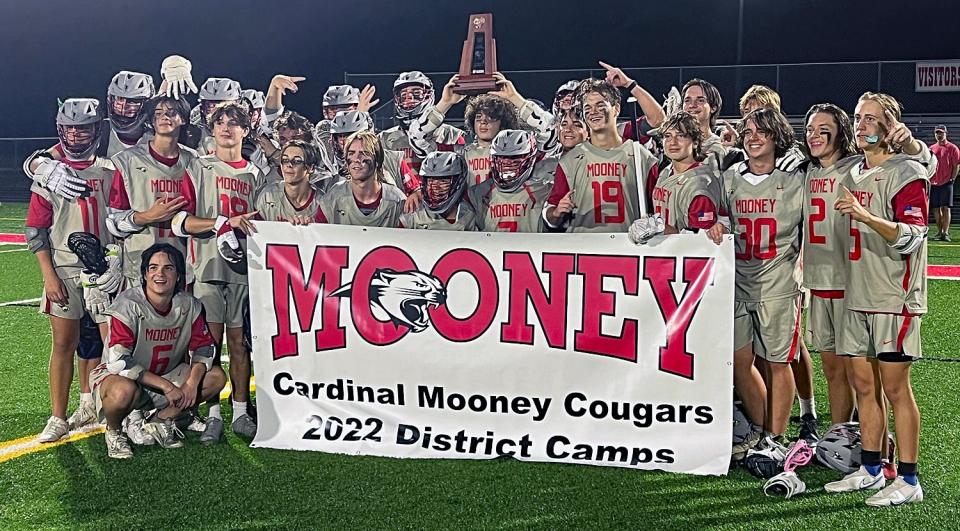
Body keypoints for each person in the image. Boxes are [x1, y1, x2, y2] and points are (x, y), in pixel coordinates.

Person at [825, 92, 930, 506]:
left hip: (894, 296)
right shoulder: (854, 171)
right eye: (858, 118)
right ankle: (870, 468)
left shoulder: (907, 171)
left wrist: (867, 216)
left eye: (872, 119)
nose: (862, 125)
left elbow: (911, 236)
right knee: (863, 387)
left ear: (890, 125)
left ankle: (908, 478)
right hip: (858, 294)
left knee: (897, 390)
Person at [707, 108, 804, 458]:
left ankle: (776, 439)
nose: (753, 137)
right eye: (747, 131)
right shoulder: (731, 177)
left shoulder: (797, 177)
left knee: (778, 363)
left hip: (778, 281)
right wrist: (716, 224)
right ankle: (763, 432)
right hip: (737, 280)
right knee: (738, 361)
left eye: (761, 131)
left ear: (777, 136)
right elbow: (717, 216)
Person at [25, 99, 121, 442]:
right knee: (64, 342)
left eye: (83, 127)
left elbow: (122, 222)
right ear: (59, 128)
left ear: (97, 129)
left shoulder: (111, 171)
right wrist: (49, 276)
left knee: (113, 347)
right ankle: (57, 416)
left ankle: (106, 411)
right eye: (68, 127)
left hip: (106, 271)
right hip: (64, 269)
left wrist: (115, 262)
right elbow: (36, 231)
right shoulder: (49, 172)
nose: (75, 134)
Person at [172, 102, 263, 441]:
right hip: (207, 266)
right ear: (211, 129)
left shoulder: (256, 174)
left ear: (246, 129)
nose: (226, 128)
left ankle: (241, 411)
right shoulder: (199, 167)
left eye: (234, 122)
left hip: (244, 270)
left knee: (240, 344)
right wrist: (223, 223)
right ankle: (212, 414)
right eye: (220, 122)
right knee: (208, 344)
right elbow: (181, 221)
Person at [89, 244, 226, 458]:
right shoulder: (128, 304)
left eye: (168, 268)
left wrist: (191, 384)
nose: (159, 274)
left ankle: (161, 419)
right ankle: (114, 431)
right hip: (122, 378)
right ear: (144, 274)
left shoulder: (189, 304)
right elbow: (119, 362)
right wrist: (167, 387)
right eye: (153, 268)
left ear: (179, 275)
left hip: (166, 376)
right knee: (122, 392)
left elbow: (204, 348)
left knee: (215, 377)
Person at [801, 103, 858, 427]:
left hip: (851, 282)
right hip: (819, 281)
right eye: (810, 128)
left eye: (823, 128)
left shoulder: (855, 166)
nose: (814, 134)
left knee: (861, 373)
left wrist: (913, 144)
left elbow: (922, 163)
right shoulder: (807, 170)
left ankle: (875, 445)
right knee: (833, 370)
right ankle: (839, 433)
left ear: (841, 130)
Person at [543, 78, 659, 232]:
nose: (593, 112)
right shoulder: (570, 161)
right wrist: (557, 212)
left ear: (616, 109)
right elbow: (550, 216)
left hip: (630, 249)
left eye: (600, 105)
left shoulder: (641, 156)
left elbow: (659, 212)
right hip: (584, 248)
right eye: (588, 107)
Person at [409, 72, 557, 185]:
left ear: (503, 122)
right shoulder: (459, 153)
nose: (483, 123)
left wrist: (515, 98)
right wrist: (445, 103)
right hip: (469, 218)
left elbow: (551, 129)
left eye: (491, 118)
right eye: (478, 118)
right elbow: (416, 137)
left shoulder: (521, 151)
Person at [468, 129, 556, 233]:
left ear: (530, 159)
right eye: (501, 158)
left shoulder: (544, 190)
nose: (507, 165)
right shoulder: (479, 193)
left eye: (514, 158)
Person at [648, 112, 721, 233]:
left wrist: (659, 229)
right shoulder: (666, 171)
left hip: (681, 250)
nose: (673, 142)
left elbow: (699, 241)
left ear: (695, 142)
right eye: (667, 136)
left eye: (681, 136)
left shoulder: (700, 184)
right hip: (662, 250)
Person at [316, 131, 407, 227]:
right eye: (351, 153)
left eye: (364, 153)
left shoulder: (397, 200)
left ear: (377, 160)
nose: (356, 159)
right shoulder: (334, 197)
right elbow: (317, 233)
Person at [379, 71, 464, 172]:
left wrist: (445, 103)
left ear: (429, 95)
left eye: (417, 93)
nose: (409, 97)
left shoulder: (453, 134)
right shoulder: (383, 138)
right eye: (404, 95)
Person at [400, 151, 477, 231]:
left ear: (457, 182)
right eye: (430, 181)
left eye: (443, 181)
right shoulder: (414, 211)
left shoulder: (468, 215)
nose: (435, 187)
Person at [254, 140, 325, 224]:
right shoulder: (267, 195)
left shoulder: (323, 203)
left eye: (297, 161)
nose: (289, 165)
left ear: (311, 168)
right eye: (285, 160)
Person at [195, 77, 242, 154]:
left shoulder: (246, 124)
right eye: (208, 103)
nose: (212, 108)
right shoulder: (195, 124)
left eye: (220, 103)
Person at [930, 125, 959, 241]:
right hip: (934, 182)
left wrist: (952, 179)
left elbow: (956, 165)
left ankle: (945, 233)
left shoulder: (952, 148)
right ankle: (940, 232)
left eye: (941, 133)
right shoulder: (931, 148)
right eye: (937, 133)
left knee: (946, 208)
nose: (939, 135)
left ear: (946, 133)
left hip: (947, 182)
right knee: (936, 208)